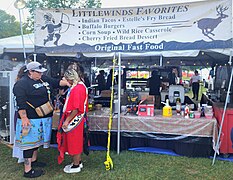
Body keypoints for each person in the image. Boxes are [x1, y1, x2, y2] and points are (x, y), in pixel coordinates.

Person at [13, 61, 69, 178]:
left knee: (36, 142)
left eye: (41, 72)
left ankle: (34, 161)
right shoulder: (22, 84)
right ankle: (27, 170)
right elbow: (20, 103)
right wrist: (24, 118)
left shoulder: (43, 79)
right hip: (31, 119)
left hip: (43, 118)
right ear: (30, 72)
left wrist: (70, 83)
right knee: (29, 144)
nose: (40, 74)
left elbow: (56, 82)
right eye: (38, 72)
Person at [57, 69, 88, 174]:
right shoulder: (80, 86)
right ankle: (77, 162)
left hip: (74, 118)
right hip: (78, 117)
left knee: (74, 142)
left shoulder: (77, 89)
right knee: (76, 141)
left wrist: (67, 121)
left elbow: (75, 108)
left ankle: (76, 165)